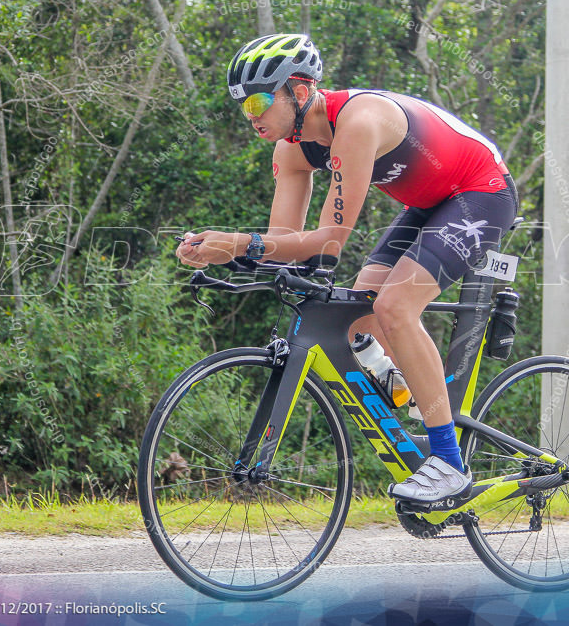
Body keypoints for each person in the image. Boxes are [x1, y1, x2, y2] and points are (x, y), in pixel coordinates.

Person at [176, 33, 518, 505]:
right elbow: (291, 245)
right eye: (242, 105)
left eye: (258, 100)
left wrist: (239, 243)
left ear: (299, 91)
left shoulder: (357, 122)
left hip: (480, 194)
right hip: (429, 203)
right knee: (358, 310)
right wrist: (232, 250)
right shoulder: (291, 150)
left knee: (396, 306)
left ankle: (448, 462)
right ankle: (402, 380)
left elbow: (329, 239)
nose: (251, 114)